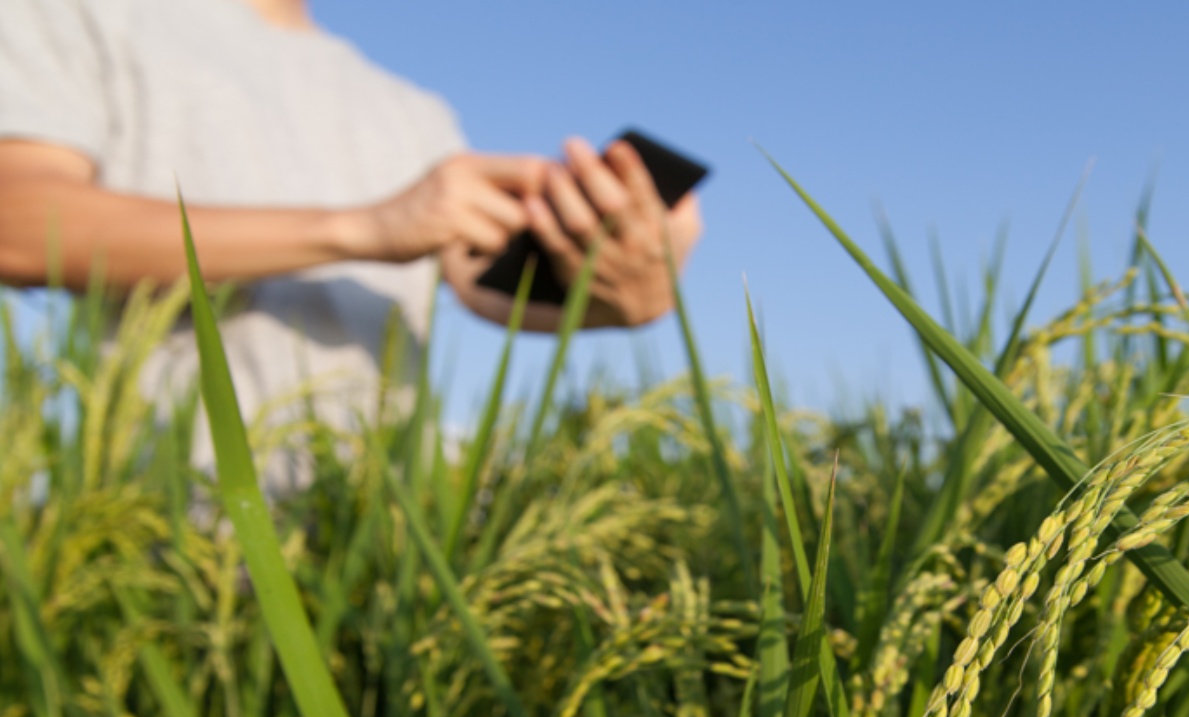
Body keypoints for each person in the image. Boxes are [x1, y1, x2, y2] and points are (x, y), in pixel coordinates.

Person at [0, 0, 702, 484]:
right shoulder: (82, 14)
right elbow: (19, 222)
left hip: (379, 542)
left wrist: (623, 291)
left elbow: (480, 283)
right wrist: (362, 229)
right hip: (173, 517)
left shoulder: (409, 108)